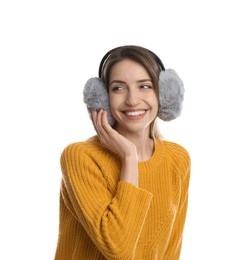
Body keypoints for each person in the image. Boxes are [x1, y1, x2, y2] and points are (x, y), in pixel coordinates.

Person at [54, 45, 191, 260]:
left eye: (144, 86)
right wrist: (129, 157)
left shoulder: (177, 159)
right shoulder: (80, 157)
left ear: (163, 94)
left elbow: (171, 250)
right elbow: (119, 249)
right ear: (102, 99)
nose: (132, 100)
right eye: (118, 88)